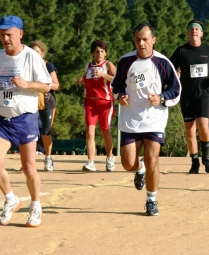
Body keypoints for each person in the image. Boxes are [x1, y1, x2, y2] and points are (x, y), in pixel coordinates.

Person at [0, 15, 52, 227]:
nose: (5, 39)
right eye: (2, 35)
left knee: (29, 167)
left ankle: (36, 206)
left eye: (9, 34)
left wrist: (26, 83)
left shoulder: (31, 57)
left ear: (20, 34)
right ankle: (11, 199)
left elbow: (47, 86)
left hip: (25, 118)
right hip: (2, 118)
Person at [111, 22, 181, 216]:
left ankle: (151, 200)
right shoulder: (125, 61)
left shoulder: (163, 62)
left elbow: (176, 89)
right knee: (127, 164)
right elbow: (116, 86)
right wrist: (120, 96)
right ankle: (138, 169)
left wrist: (162, 98)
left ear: (153, 40)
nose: (141, 43)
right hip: (130, 120)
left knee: (152, 159)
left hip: (154, 119)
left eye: (145, 39)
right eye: (137, 40)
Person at [170, 19, 209, 174]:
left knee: (203, 125)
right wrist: (176, 73)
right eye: (191, 29)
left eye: (197, 29)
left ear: (201, 33)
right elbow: (170, 66)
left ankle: (206, 159)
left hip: (204, 93)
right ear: (187, 33)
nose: (194, 31)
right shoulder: (181, 51)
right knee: (189, 128)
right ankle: (194, 161)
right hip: (186, 94)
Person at [77, 40, 116, 172]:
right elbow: (90, 82)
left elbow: (118, 79)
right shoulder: (88, 66)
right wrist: (82, 81)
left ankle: (110, 158)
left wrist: (103, 74)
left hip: (105, 102)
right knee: (89, 132)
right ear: (92, 53)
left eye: (102, 51)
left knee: (105, 131)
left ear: (105, 53)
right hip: (90, 103)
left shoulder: (108, 64)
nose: (99, 53)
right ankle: (90, 162)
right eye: (96, 51)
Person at [29, 40, 60, 171]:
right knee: (29, 132)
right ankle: (29, 162)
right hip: (30, 102)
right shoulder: (26, 66)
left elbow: (56, 85)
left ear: (42, 54)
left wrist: (44, 84)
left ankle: (48, 158)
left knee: (45, 132)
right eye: (32, 52)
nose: (34, 55)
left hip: (46, 102)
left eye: (37, 52)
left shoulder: (48, 66)